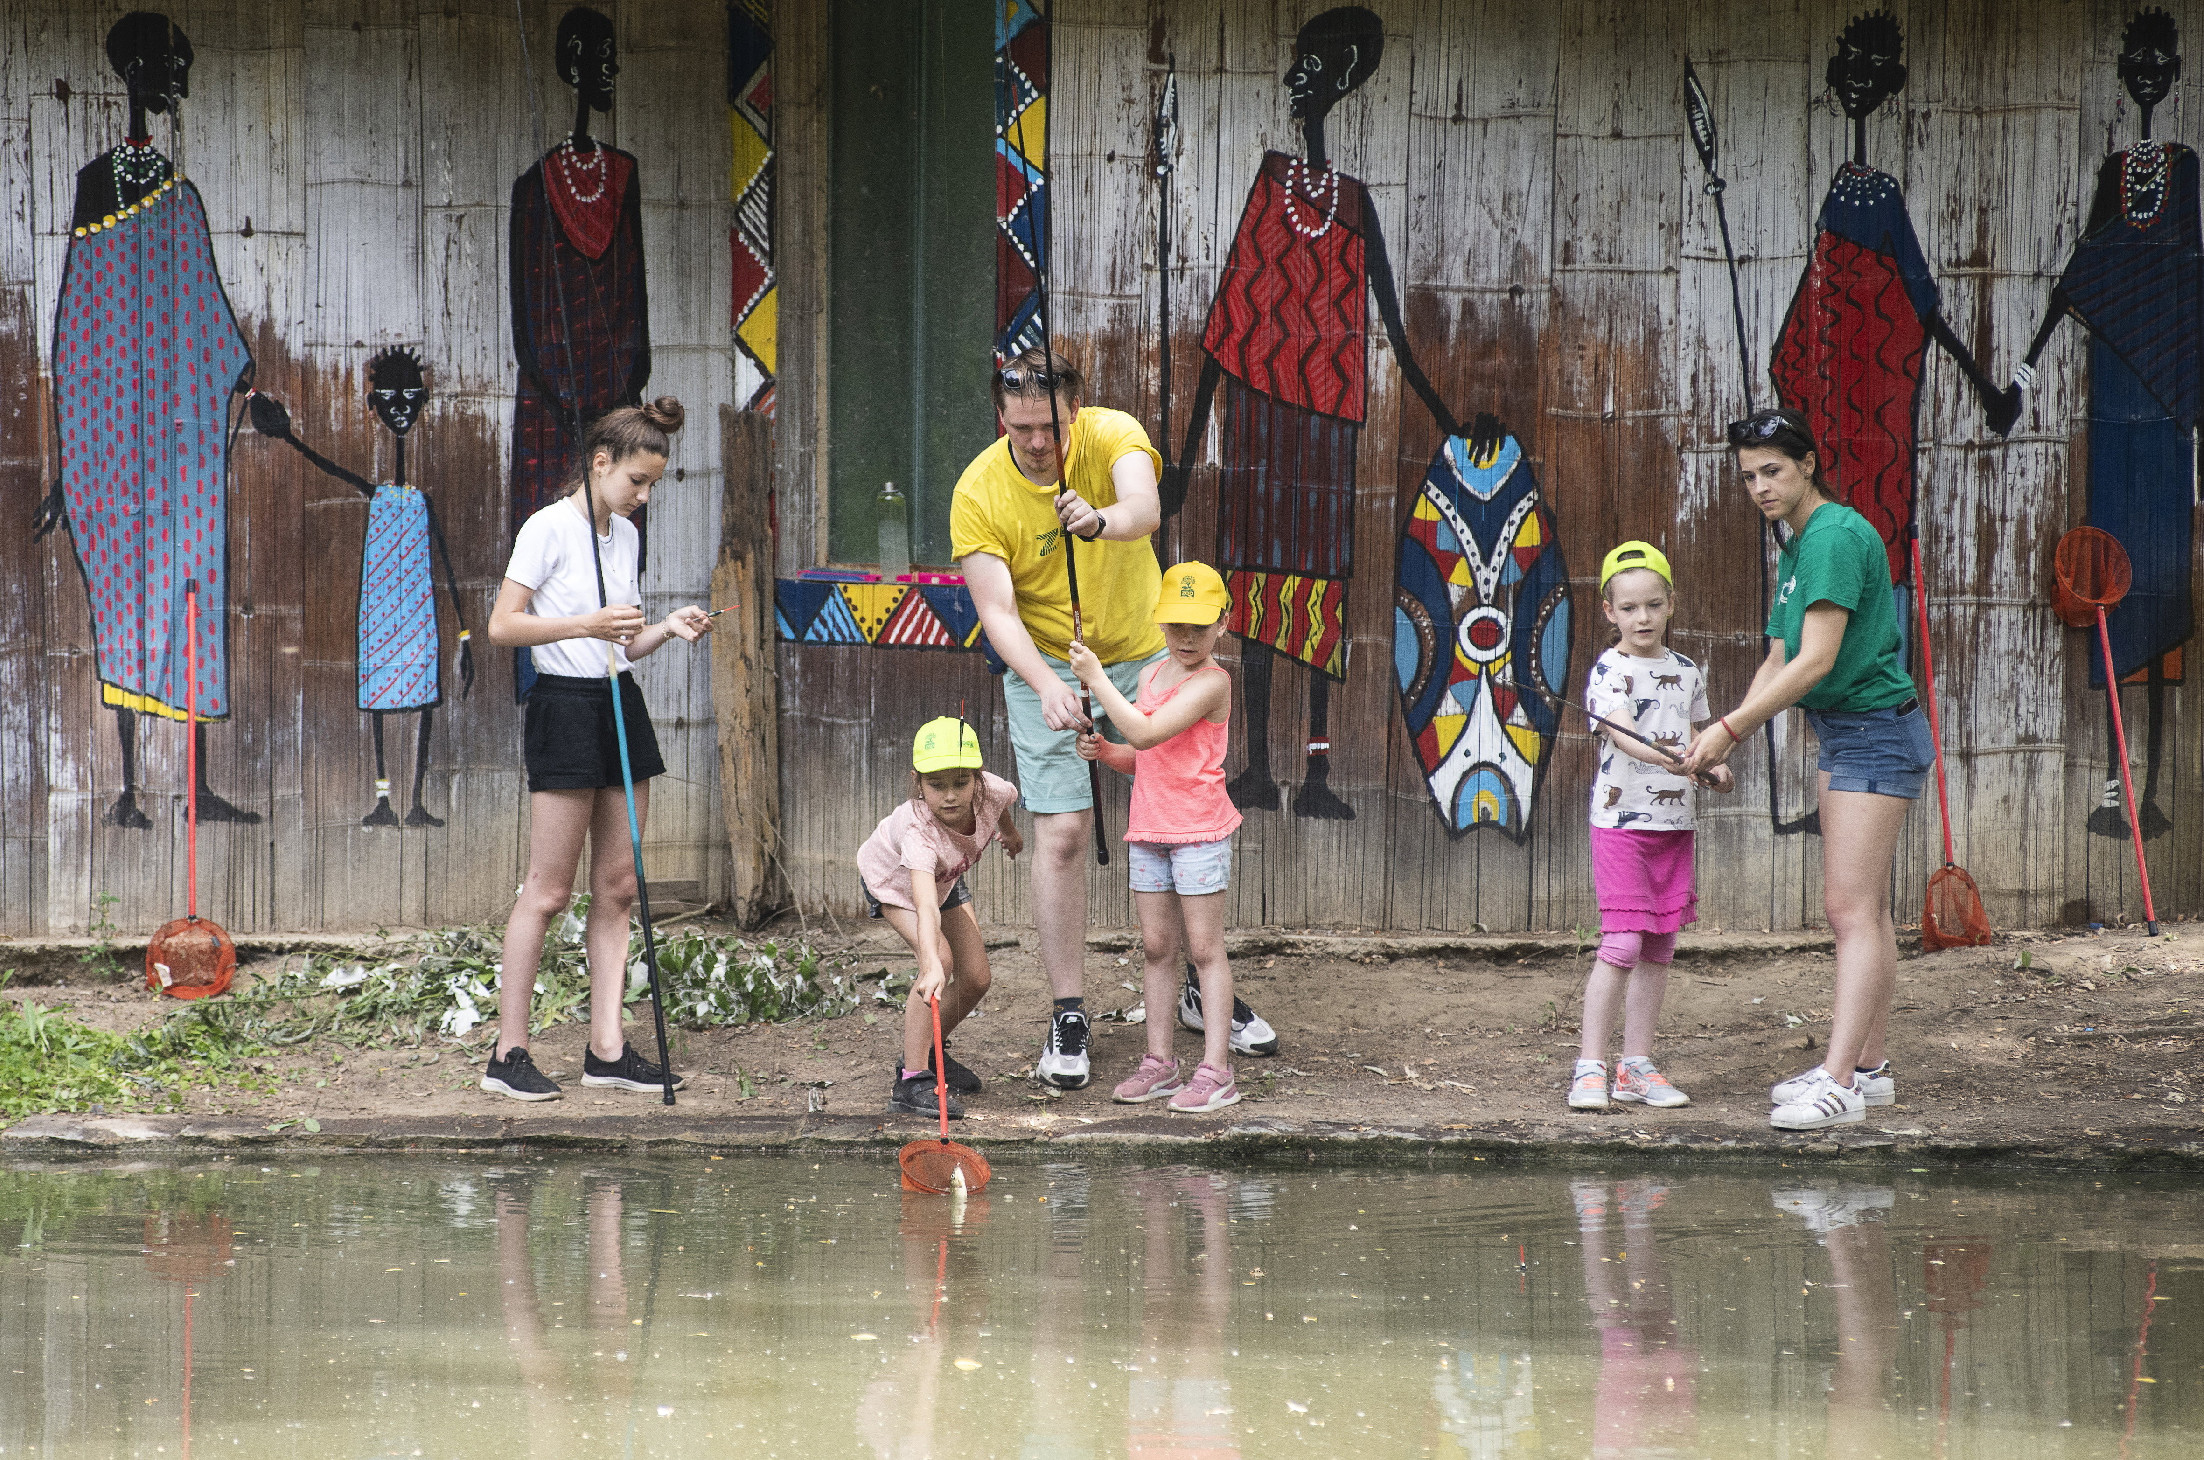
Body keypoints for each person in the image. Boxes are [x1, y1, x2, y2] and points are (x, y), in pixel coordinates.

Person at [954, 348, 1275, 1089]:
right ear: (1001, 416)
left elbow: (1144, 510)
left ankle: (1197, 980)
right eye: (1023, 426)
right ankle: (1070, 1011)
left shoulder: (1110, 435)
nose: (1039, 442)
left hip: (1147, 654)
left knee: (1174, 818)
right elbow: (996, 610)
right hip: (1050, 664)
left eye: (1053, 426)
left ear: (1077, 409)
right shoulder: (977, 492)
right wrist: (1044, 683)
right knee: (1062, 832)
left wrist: (1097, 521)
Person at [1682, 408, 1936, 1131]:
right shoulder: (1794, 541)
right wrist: (1720, 736)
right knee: (1868, 911)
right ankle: (1869, 1069)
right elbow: (1777, 657)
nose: (1760, 487)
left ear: (1807, 466)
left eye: (1773, 471)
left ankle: (1839, 1082)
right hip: (1848, 732)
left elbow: (1817, 659)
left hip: (1873, 734)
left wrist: (1729, 728)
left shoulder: (1829, 536)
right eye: (1749, 477)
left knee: (1849, 912)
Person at [480, 397, 712, 1101]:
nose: (643, 498)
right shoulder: (547, 528)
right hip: (564, 707)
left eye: (653, 486)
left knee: (618, 886)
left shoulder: (625, 538)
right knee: (547, 891)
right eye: (635, 482)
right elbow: (502, 626)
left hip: (620, 702)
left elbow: (621, 643)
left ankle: (605, 1049)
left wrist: (666, 628)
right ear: (600, 463)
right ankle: (507, 1053)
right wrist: (584, 621)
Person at [1070, 562, 1245, 1114]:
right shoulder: (1150, 677)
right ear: (1160, 622)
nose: (1187, 637)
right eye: (1176, 625)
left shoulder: (1214, 683)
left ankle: (1216, 1071)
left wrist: (1096, 679)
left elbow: (1146, 729)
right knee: (1156, 947)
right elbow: (1144, 755)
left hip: (1198, 833)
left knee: (1204, 949)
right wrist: (1106, 754)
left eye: (1199, 624)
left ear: (1223, 623)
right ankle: (1160, 1062)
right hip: (1148, 831)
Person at [1570, 542, 1732, 1113]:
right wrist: (1674, 761)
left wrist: (1714, 769)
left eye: (1653, 605)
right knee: (1621, 943)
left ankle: (1634, 1065)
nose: (1643, 618)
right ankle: (1589, 1065)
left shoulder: (1686, 671)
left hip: (1674, 825)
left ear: (1670, 606)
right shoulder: (1610, 670)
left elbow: (1701, 738)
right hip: (1620, 824)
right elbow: (1619, 733)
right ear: (1609, 611)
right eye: (1630, 607)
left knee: (1659, 947)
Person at [857, 717, 1024, 1119]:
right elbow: (925, 904)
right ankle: (911, 1079)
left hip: (945, 877)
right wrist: (930, 962)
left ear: (978, 779)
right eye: (936, 785)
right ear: (917, 782)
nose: (950, 796)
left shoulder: (994, 790)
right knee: (942, 963)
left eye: (960, 783)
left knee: (978, 977)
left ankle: (930, 1052)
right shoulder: (918, 831)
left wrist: (1011, 834)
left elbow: (999, 808)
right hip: (896, 882)